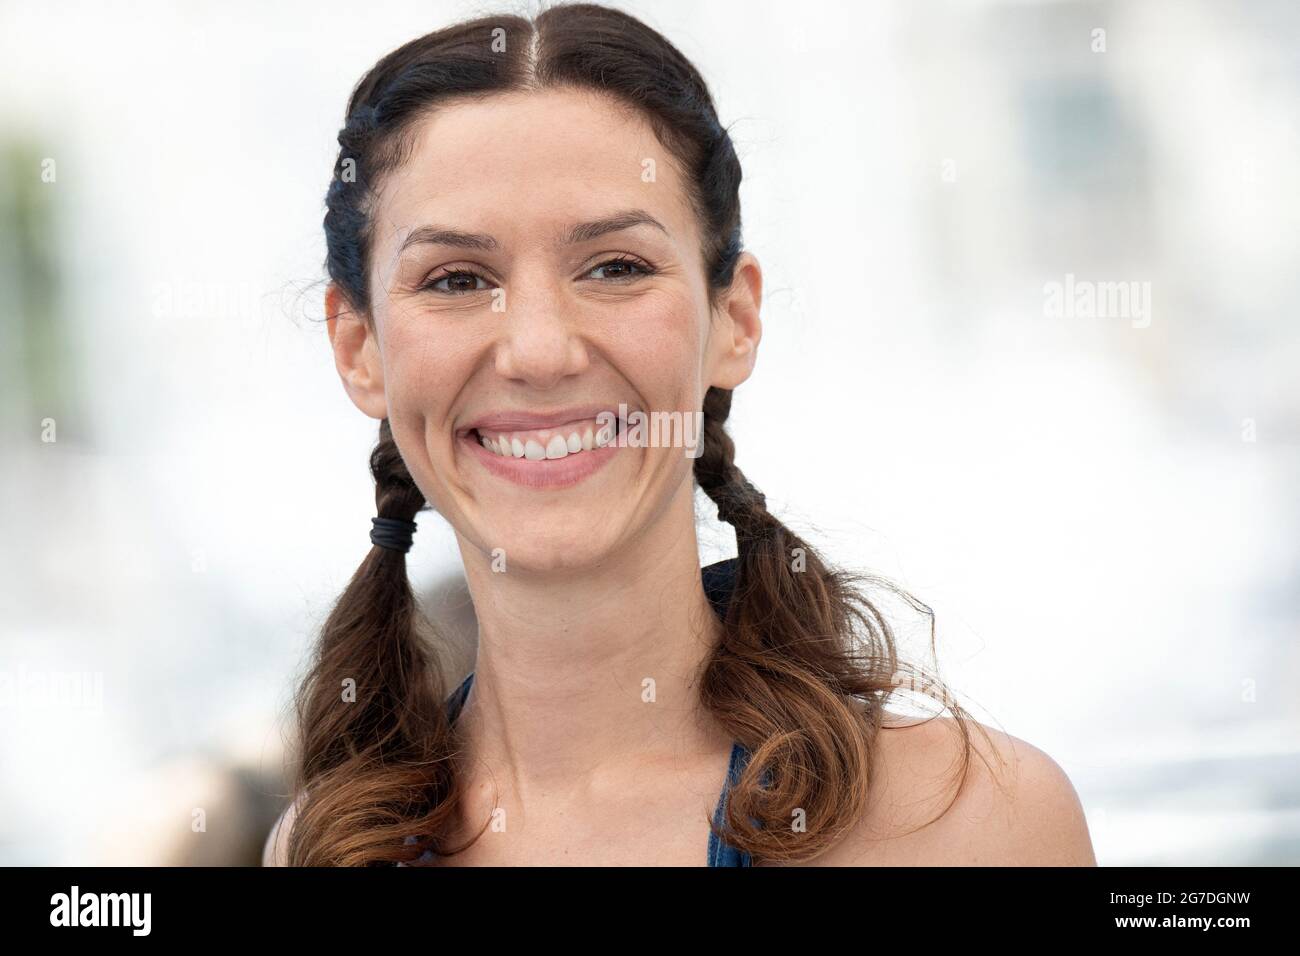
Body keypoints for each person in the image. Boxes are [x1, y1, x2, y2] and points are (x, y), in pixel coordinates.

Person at [265, 1, 1096, 867]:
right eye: (457, 279)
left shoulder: (970, 824)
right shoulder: (327, 848)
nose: (541, 350)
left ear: (734, 318)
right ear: (358, 349)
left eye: (616, 267)